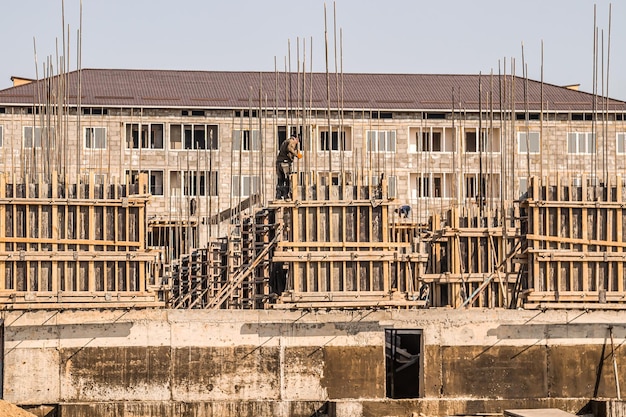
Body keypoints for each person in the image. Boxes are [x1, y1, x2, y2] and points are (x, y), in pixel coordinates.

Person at [275, 135, 301, 199]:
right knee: (287, 179)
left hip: (279, 162)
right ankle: (286, 195)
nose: (297, 143)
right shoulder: (291, 141)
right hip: (285, 163)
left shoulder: (285, 141)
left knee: (280, 180)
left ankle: (278, 195)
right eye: (297, 141)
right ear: (296, 139)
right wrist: (297, 155)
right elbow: (289, 148)